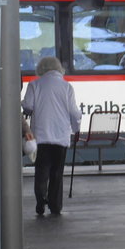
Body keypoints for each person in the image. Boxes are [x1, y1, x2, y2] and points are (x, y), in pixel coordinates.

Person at [22, 55, 82, 216]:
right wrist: (76, 128)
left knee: (41, 172)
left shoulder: (34, 85)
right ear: (58, 69)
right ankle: (55, 206)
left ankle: (41, 201)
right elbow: (74, 112)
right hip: (61, 137)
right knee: (57, 173)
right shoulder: (67, 87)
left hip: (41, 137)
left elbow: (27, 106)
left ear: (41, 69)